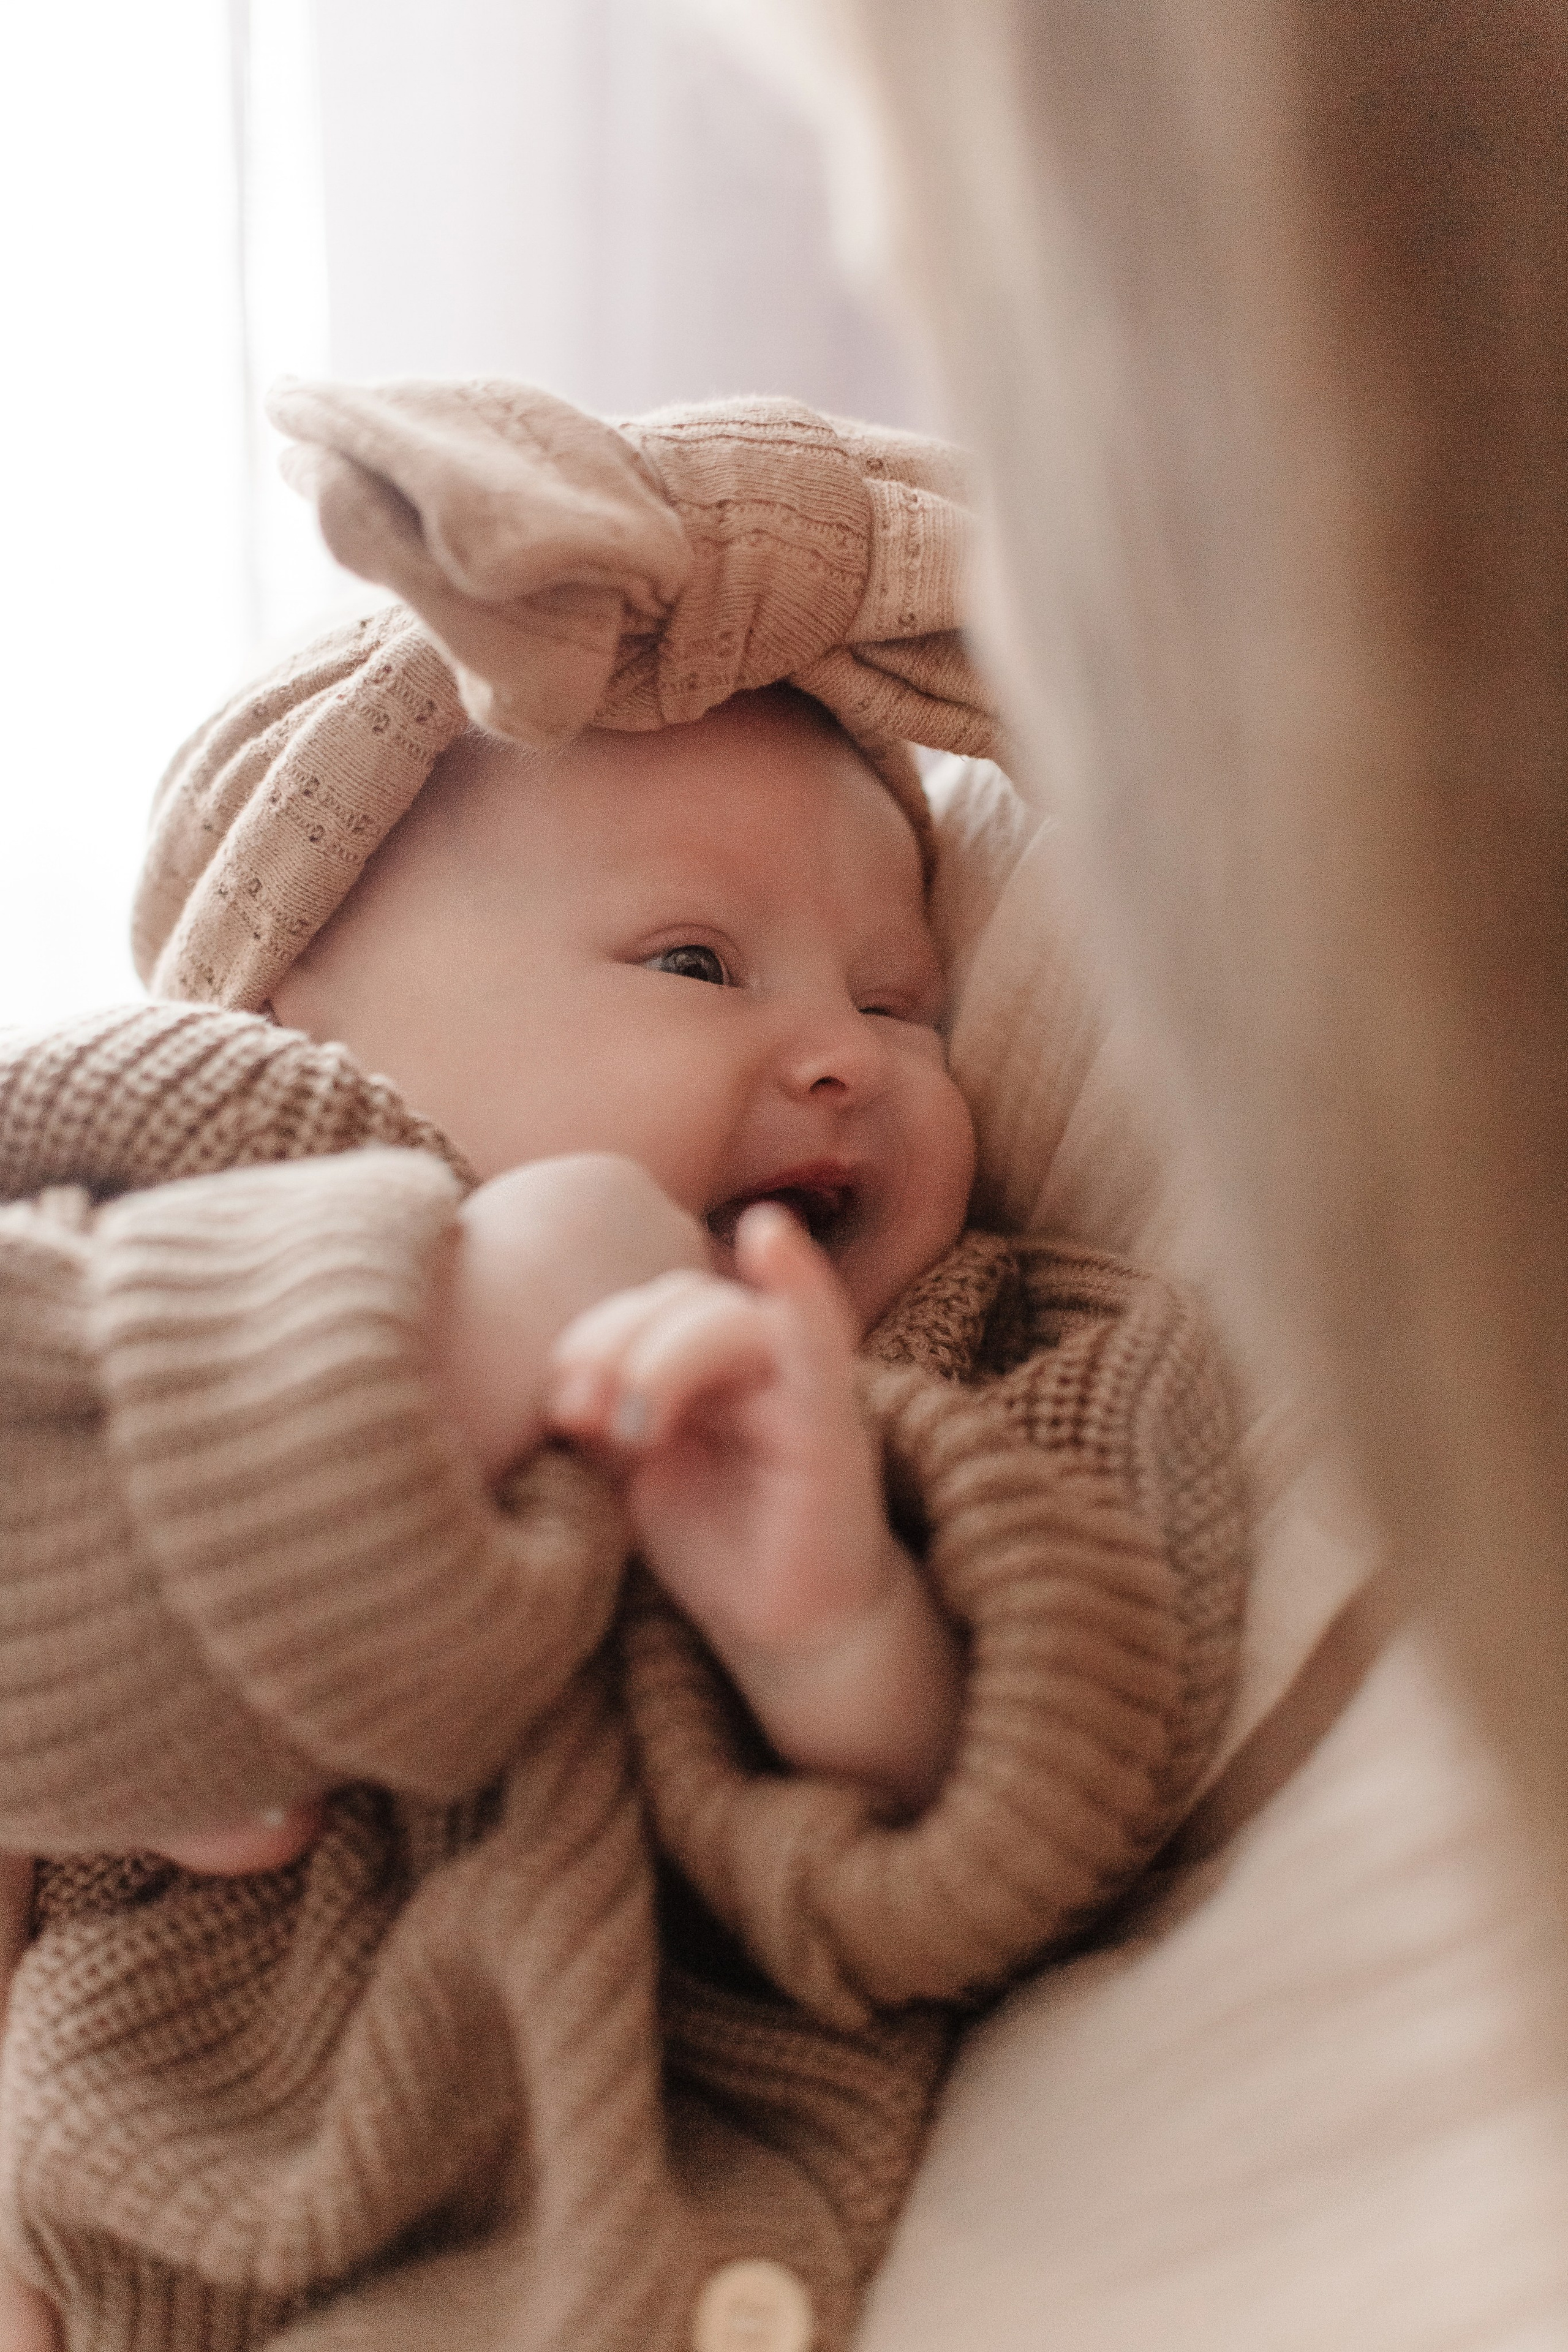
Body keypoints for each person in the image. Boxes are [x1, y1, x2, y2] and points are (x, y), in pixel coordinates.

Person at [0, 385, 1246, 2352]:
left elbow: (1052, 1836)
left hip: (607, 2252)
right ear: (304, 1000)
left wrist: (841, 1639)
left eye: (901, 996)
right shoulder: (161, 1156)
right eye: (693, 965)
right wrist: (474, 1313)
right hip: (109, 2210)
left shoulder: (987, 1355)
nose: (849, 1054)